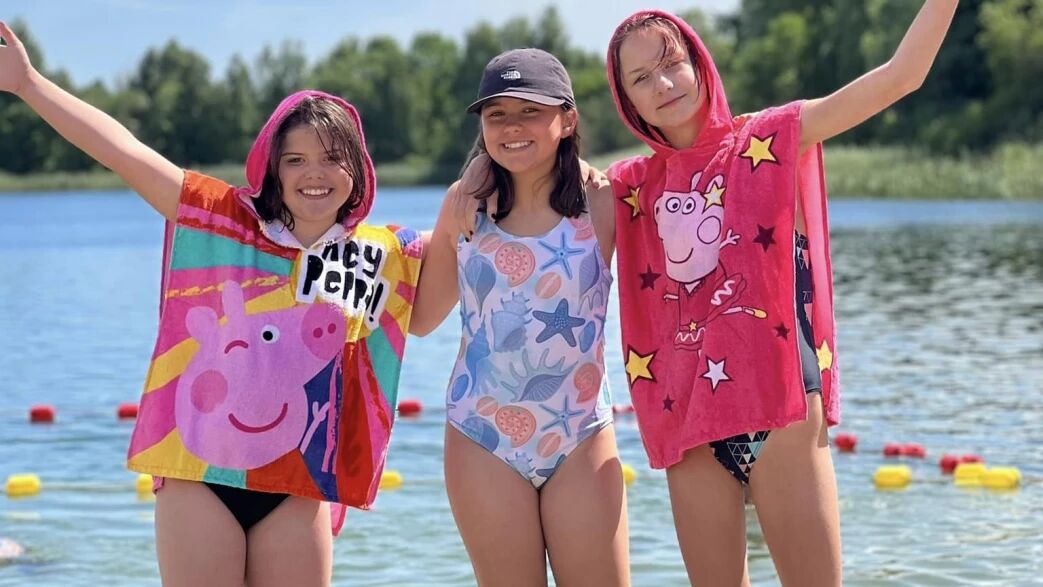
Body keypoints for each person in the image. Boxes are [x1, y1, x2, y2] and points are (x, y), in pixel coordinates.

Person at [0, 22, 425, 586]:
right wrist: (28, 84)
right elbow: (122, 152)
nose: (314, 174)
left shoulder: (379, 254)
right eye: (294, 160)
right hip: (199, 476)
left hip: (297, 486)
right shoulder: (219, 220)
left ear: (359, 168)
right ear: (271, 168)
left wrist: (472, 190)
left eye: (331, 158)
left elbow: (460, 259)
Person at [599, 3, 959, 585]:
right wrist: (474, 190)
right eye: (641, 78)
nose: (662, 84)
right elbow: (540, 191)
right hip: (689, 423)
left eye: (671, 63)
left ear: (699, 63)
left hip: (781, 410)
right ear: (627, 101)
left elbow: (902, 75)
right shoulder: (627, 187)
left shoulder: (770, 137)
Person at [411, 48, 629, 586]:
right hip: (481, 437)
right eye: (497, 114)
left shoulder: (605, 202)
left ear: (568, 119)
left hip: (579, 433)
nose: (511, 127)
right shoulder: (464, 203)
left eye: (530, 111)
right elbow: (421, 319)